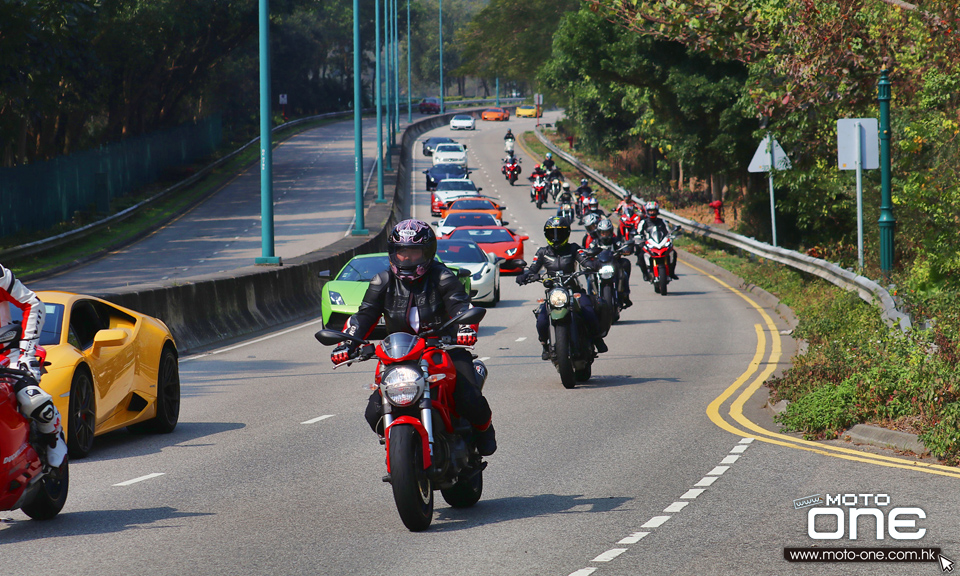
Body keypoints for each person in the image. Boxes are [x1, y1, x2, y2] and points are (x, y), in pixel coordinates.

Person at [330, 220, 497, 456]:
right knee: (373, 412)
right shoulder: (383, 281)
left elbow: (460, 304)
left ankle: (485, 430)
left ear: (428, 253)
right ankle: (399, 445)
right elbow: (364, 315)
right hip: (400, 355)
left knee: (468, 396)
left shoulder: (442, 276)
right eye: (401, 253)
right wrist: (347, 342)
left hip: (443, 348)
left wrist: (465, 328)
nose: (407, 259)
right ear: (393, 253)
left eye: (414, 252)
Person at [0, 264, 67, 468]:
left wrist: (26, 354)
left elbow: (32, 303)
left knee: (32, 398)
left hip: (6, 354)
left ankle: (54, 438)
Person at [516, 217, 607, 360]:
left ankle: (597, 339)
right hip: (554, 294)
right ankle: (545, 345)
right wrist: (525, 275)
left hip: (574, 291)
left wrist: (592, 264)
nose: (556, 238)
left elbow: (584, 259)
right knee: (542, 319)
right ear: (547, 234)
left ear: (567, 234)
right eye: (553, 234)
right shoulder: (542, 252)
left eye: (560, 233)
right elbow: (533, 269)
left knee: (588, 309)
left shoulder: (573, 248)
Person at [593, 218, 633, 309]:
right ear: (599, 233)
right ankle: (591, 295)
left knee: (625, 268)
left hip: (614, 265)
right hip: (599, 266)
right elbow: (588, 250)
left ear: (611, 232)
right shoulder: (595, 242)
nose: (605, 235)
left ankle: (625, 295)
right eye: (603, 233)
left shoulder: (616, 241)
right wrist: (586, 253)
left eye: (607, 233)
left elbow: (623, 246)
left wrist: (626, 249)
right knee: (589, 275)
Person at [638, 201, 680, 281]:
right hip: (649, 243)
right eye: (650, 211)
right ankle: (645, 274)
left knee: (673, 253)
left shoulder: (662, 221)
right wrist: (639, 238)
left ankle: (671, 272)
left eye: (654, 211)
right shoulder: (644, 222)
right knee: (640, 256)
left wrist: (672, 235)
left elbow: (668, 231)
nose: (652, 212)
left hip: (661, 243)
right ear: (647, 211)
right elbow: (638, 232)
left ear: (657, 211)